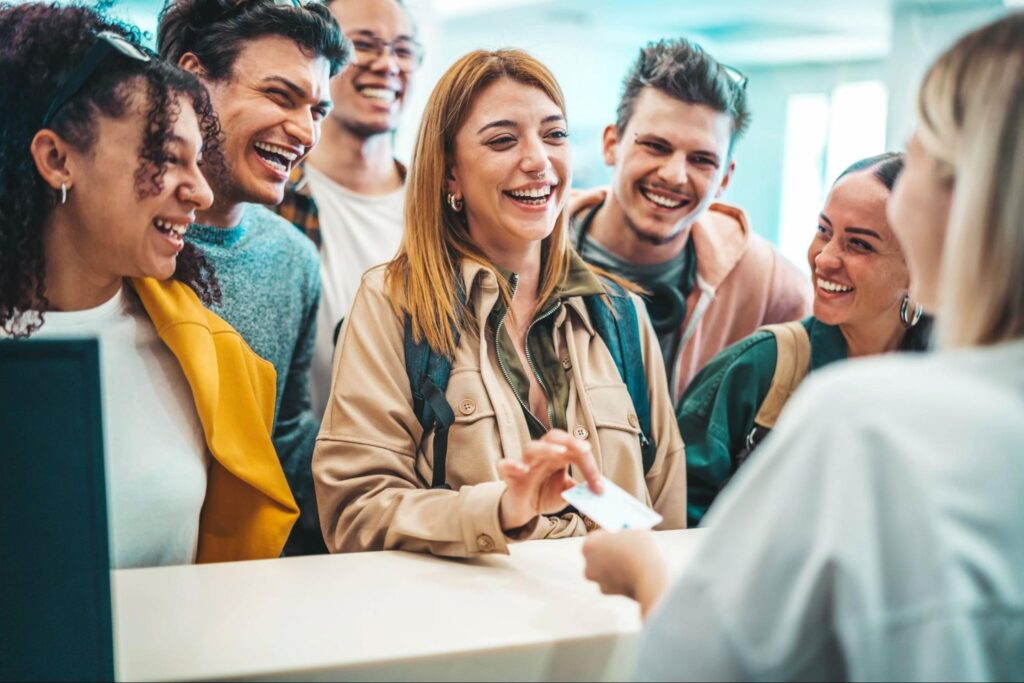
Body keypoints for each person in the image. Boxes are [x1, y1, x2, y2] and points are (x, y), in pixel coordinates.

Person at [583, 12, 1024, 680]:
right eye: (825, 231)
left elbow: (695, 658)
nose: (829, 257)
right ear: (613, 143)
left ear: (965, 199)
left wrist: (644, 567)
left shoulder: (859, 419)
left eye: (922, 156)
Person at [313, 49, 687, 556]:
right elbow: (355, 512)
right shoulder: (392, 305)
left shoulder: (622, 315)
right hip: (469, 629)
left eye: (554, 135)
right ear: (450, 176)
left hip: (606, 626)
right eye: (503, 140)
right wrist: (500, 510)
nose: (538, 161)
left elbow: (667, 526)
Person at [0, 3, 298, 568]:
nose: (201, 193)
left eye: (198, 162)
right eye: (166, 158)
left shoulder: (207, 356)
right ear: (57, 158)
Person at [157, 0, 348, 555]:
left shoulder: (292, 256)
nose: (304, 131)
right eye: (280, 96)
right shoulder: (119, 244)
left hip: (244, 584)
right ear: (193, 80)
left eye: (317, 110)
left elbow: (284, 436)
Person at [681, 152, 932, 526]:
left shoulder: (956, 383)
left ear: (920, 267)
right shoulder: (758, 368)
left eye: (859, 244)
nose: (825, 259)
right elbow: (674, 525)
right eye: (824, 231)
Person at [571, 39, 810, 404]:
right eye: (656, 146)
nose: (674, 176)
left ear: (725, 178)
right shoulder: (528, 245)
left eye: (701, 159)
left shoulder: (767, 284)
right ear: (611, 145)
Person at [275, 0, 422, 418]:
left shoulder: (443, 213)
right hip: (293, 470)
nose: (387, 64)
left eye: (404, 50)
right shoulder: (272, 198)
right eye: (365, 44)